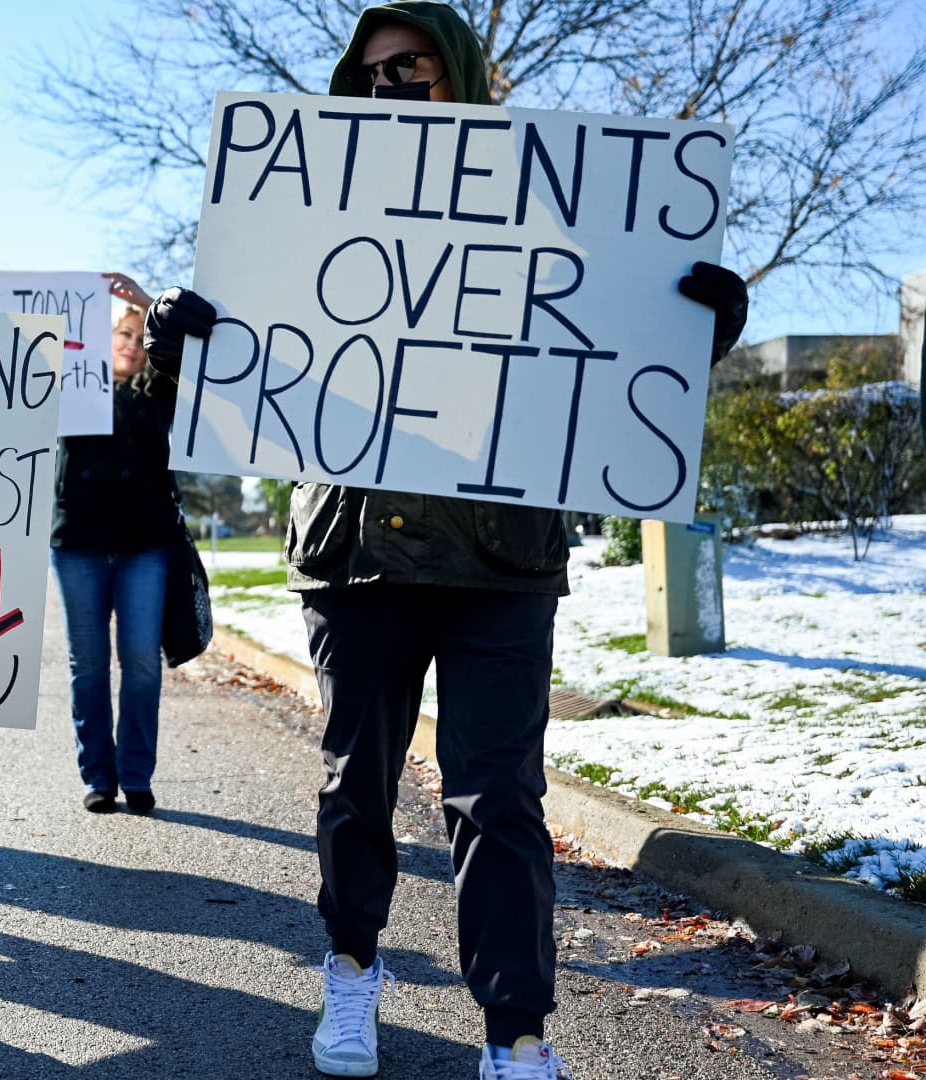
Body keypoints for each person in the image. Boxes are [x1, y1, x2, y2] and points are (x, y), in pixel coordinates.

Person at [140, 4, 751, 1078]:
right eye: (368, 74)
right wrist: (187, 352)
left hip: (501, 561)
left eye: (409, 66)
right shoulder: (302, 217)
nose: (387, 88)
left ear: (457, 71)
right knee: (353, 788)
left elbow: (601, 373)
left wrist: (691, 328)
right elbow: (253, 390)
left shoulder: (560, 213)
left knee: (500, 799)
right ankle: (352, 970)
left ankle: (515, 1033)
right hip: (356, 552)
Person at [51, 275, 180, 815]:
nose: (129, 343)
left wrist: (146, 304)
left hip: (144, 546)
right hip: (78, 542)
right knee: (88, 665)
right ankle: (98, 776)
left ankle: (136, 773)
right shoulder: (68, 389)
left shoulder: (162, 393)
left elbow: (187, 351)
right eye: (120, 334)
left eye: (137, 335)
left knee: (141, 662)